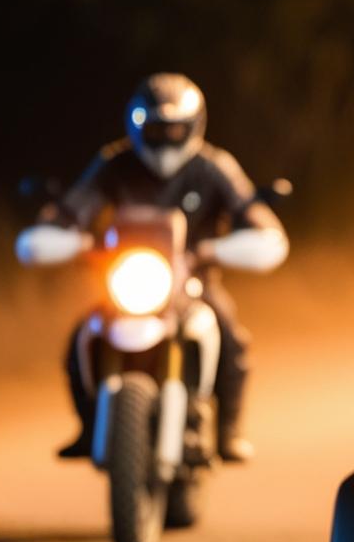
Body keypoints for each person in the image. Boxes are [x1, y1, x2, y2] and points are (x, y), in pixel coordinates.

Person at [15, 73, 289, 462]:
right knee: (80, 338)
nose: (166, 137)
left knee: (231, 336)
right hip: (124, 280)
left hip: (195, 281)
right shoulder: (115, 164)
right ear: (137, 124)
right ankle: (90, 426)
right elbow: (71, 210)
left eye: (175, 128)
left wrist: (222, 247)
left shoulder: (213, 167)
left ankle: (227, 432)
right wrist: (62, 234)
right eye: (157, 128)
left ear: (194, 126)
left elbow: (257, 219)